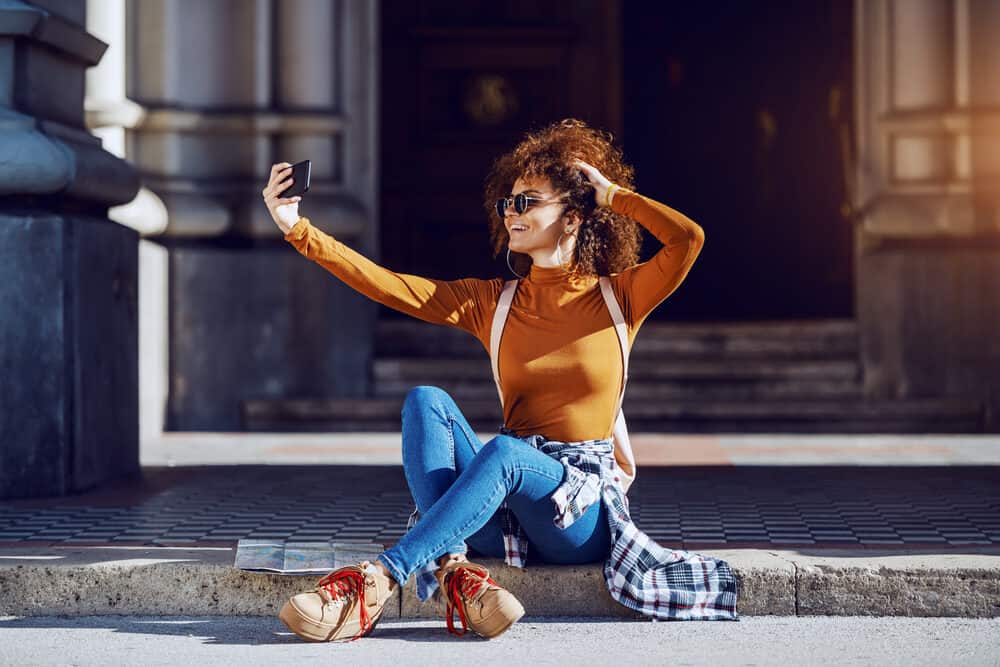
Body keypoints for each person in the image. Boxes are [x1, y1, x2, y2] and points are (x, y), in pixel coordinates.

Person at [260, 118, 739, 643]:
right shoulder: (495, 302)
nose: (513, 213)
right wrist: (297, 230)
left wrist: (616, 195)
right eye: (508, 203)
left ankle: (376, 580)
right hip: (507, 504)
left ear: (574, 215)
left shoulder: (619, 297)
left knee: (506, 455)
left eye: (528, 201)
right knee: (427, 402)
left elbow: (688, 239)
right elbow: (392, 288)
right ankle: (457, 576)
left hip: (577, 516)